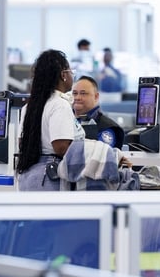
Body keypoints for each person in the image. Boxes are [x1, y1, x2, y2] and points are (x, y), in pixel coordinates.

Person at [16, 49, 130, 191]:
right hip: (50, 179)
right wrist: (105, 156)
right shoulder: (59, 104)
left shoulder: (30, 106)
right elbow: (61, 147)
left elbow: (22, 142)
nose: (72, 76)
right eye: (71, 72)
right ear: (64, 75)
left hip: (29, 177)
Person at [72, 75, 124, 150]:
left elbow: (100, 156)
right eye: (74, 93)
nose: (77, 97)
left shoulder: (106, 128)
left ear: (96, 97)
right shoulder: (65, 120)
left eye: (83, 93)